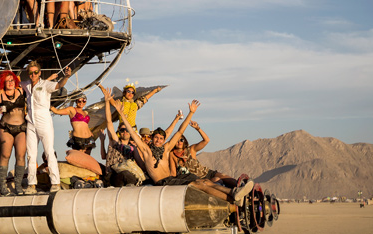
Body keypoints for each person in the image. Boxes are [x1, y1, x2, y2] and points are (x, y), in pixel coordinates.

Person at [116, 100, 254, 204]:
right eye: (156, 138)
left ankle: (233, 192)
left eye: (161, 138)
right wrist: (121, 114)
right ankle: (232, 200)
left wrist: (191, 112)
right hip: (163, 183)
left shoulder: (166, 149)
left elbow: (180, 131)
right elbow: (132, 133)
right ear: (152, 139)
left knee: (205, 181)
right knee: (199, 185)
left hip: (173, 179)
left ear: (164, 140)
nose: (158, 140)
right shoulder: (146, 151)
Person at [22, 61, 71, 193]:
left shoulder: (45, 84)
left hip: (44, 121)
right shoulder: (26, 85)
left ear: (39, 73)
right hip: (31, 122)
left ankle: (55, 182)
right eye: (31, 73)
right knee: (31, 155)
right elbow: (15, 84)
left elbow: (59, 85)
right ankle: (31, 184)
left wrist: (66, 77)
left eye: (35, 72)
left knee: (49, 151)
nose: (33, 75)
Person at [100, 87, 145, 186]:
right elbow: (109, 121)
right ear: (119, 131)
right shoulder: (114, 142)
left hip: (128, 176)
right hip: (113, 176)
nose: (125, 132)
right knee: (125, 174)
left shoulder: (133, 148)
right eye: (122, 130)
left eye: (127, 130)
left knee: (130, 174)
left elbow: (141, 164)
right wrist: (107, 102)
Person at [0, 70, 27, 195]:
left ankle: (18, 185)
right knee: (5, 155)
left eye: (12, 80)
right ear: (3, 83)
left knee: (21, 156)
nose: (10, 83)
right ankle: (2, 185)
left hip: (21, 128)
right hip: (6, 128)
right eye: (7, 81)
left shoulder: (21, 91)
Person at [53, 94, 102, 175]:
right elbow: (56, 111)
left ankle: (85, 175)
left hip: (89, 138)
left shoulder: (85, 112)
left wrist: (89, 132)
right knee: (78, 160)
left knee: (86, 160)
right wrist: (49, 104)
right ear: (76, 101)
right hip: (78, 138)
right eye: (79, 100)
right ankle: (76, 175)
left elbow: (85, 125)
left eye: (84, 100)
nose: (81, 102)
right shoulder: (72, 110)